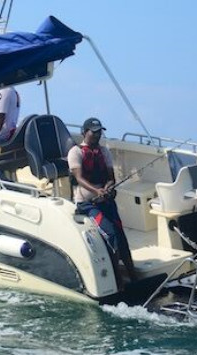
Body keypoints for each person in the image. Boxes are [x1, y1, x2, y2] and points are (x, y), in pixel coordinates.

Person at [68, 117, 135, 290]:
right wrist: (96, 191)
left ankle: (133, 276)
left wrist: (107, 188)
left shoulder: (104, 152)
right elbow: (79, 178)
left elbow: (111, 178)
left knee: (120, 235)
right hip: (87, 204)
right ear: (85, 132)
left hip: (105, 200)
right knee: (110, 233)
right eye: (93, 132)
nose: (97, 135)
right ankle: (117, 280)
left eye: (99, 132)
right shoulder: (75, 152)